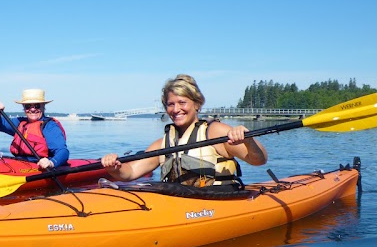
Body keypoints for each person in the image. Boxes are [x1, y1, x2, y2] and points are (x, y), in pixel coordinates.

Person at [101, 74, 267, 188]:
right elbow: (130, 173)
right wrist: (114, 167)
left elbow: (259, 160)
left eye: (182, 102)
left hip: (216, 202)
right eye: (170, 104)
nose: (176, 109)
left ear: (196, 104)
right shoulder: (163, 143)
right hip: (179, 207)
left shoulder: (215, 132)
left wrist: (248, 140)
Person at [0, 88, 69, 171]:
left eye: (37, 106)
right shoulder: (20, 122)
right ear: (24, 108)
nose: (32, 109)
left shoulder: (50, 126)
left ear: (43, 107)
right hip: (19, 164)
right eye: (28, 106)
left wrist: (51, 163)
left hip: (40, 166)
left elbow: (63, 151)